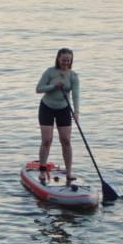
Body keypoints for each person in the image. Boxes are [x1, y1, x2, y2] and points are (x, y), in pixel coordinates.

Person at [34, 47, 80, 186]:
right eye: (63, 59)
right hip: (47, 107)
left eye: (68, 60)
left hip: (64, 109)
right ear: (58, 59)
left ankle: (69, 172)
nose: (65, 62)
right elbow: (39, 89)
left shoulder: (73, 76)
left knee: (66, 140)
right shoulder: (50, 72)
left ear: (71, 60)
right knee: (47, 140)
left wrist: (76, 111)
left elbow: (76, 94)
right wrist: (53, 86)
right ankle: (42, 170)